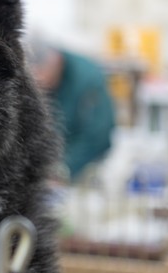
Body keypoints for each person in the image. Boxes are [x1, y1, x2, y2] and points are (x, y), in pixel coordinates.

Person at [27, 37, 116, 181]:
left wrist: (64, 169)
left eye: (41, 74)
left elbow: (97, 136)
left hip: (86, 169)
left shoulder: (88, 78)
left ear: (56, 62)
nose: (39, 82)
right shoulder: (35, 84)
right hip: (46, 171)